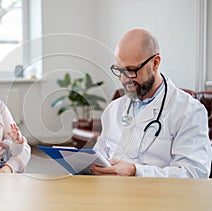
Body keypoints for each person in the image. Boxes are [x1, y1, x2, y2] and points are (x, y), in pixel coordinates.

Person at [91, 28, 212, 178]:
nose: (124, 79)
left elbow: (194, 174)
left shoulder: (189, 111)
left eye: (131, 70)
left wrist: (135, 171)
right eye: (120, 71)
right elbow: (99, 157)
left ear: (155, 63)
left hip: (160, 199)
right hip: (113, 196)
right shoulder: (114, 109)